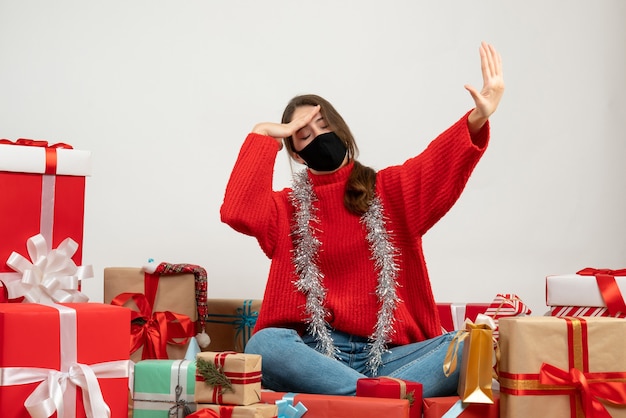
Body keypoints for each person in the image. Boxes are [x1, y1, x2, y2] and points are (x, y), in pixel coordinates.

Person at [220, 41, 504, 397]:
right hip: (313, 356)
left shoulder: (391, 191)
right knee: (265, 346)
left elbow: (438, 162)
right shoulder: (285, 209)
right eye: (304, 134)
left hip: (389, 357)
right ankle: (381, 401)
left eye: (324, 125)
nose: (319, 136)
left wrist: (478, 116)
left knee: (466, 347)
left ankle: (366, 399)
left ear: (342, 129)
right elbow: (236, 209)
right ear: (296, 152)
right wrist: (264, 133)